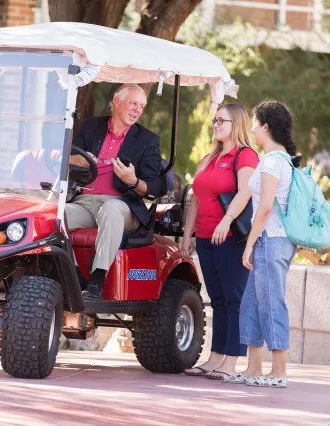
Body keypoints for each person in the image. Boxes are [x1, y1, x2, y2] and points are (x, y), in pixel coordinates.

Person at [182, 104, 259, 380]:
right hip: (205, 238)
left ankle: (231, 362)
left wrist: (226, 220)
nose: (215, 125)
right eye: (214, 120)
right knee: (217, 299)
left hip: (230, 238)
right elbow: (196, 199)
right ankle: (214, 358)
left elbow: (246, 192)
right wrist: (188, 234)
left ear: (235, 123)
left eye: (221, 121)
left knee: (233, 299)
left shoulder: (245, 155)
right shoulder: (208, 158)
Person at [65, 84, 161, 301]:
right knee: (54, 216)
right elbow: (68, 159)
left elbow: (154, 187)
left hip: (122, 205)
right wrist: (75, 160)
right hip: (83, 202)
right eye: (133, 103)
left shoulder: (147, 139)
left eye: (142, 106)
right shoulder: (91, 127)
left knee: (111, 208)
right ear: (117, 101)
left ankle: (97, 281)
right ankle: (75, 276)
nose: (138, 110)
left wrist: (133, 180)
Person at [236, 100, 299, 388]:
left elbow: (264, 208)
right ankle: (253, 368)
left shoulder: (274, 161)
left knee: (272, 303)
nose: (251, 129)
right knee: (252, 302)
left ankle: (279, 371)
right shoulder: (278, 159)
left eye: (254, 123)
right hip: (270, 241)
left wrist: (249, 244)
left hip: (270, 240)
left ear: (265, 126)